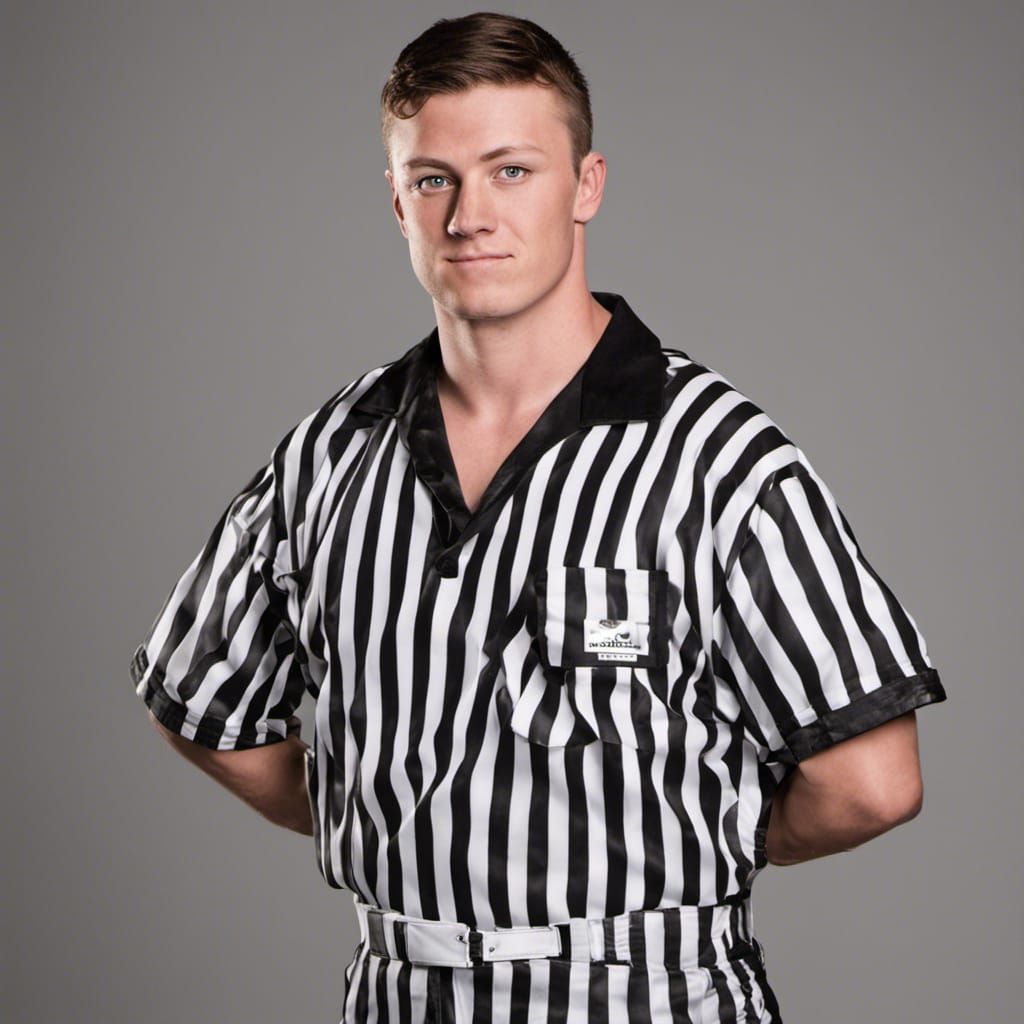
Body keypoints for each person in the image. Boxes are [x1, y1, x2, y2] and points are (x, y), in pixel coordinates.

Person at [130, 12, 947, 1023]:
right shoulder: (330, 454)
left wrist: (706, 843)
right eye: (435, 179)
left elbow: (871, 781)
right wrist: (379, 813)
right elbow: (200, 699)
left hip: (648, 995)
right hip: (400, 995)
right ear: (397, 201)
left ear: (585, 185)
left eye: (511, 170)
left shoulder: (715, 455)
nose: (470, 215)